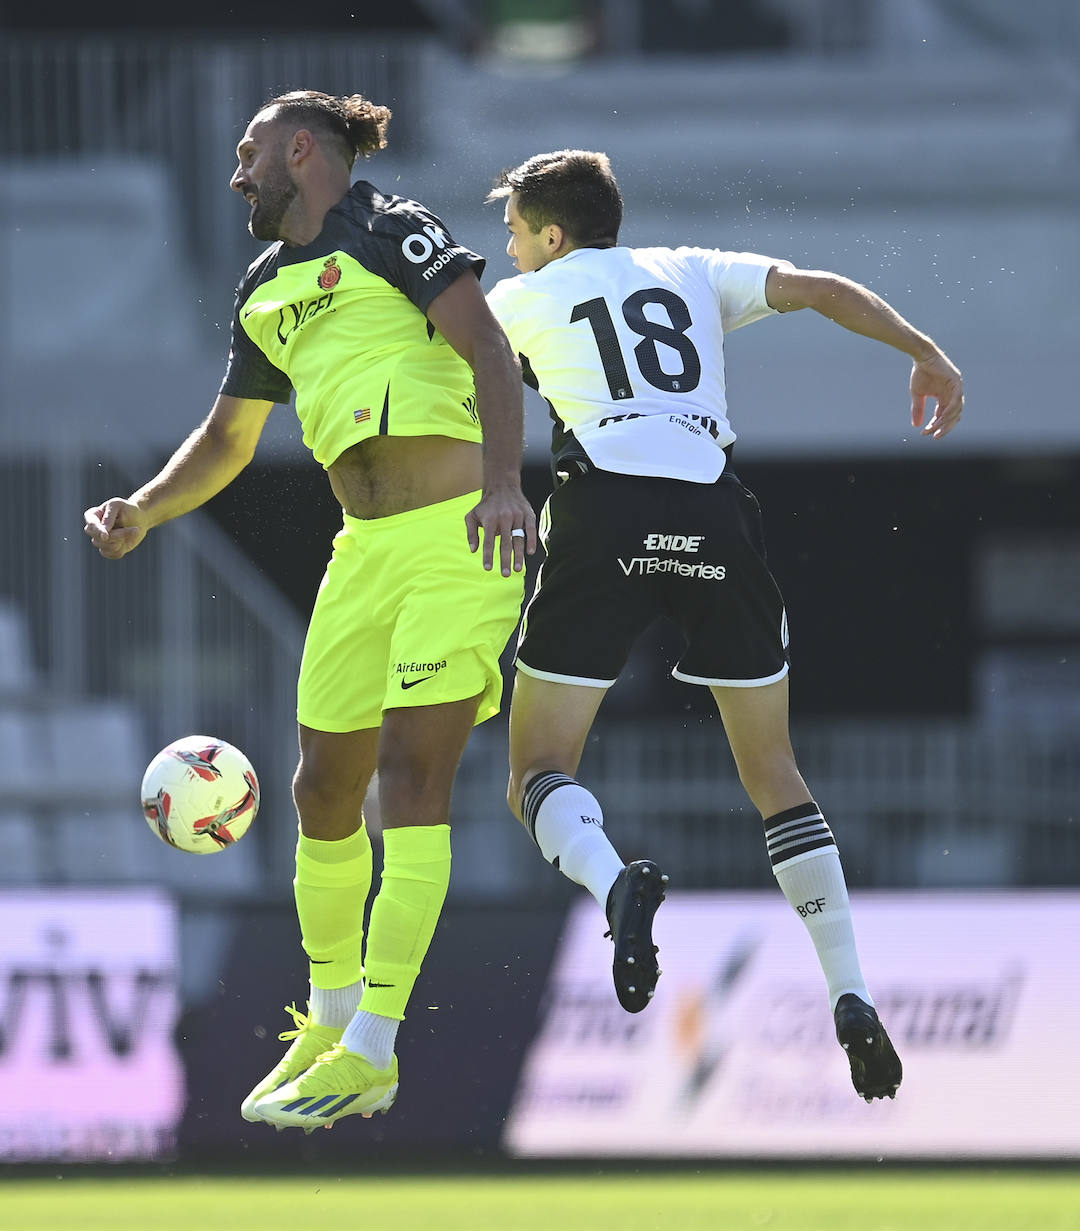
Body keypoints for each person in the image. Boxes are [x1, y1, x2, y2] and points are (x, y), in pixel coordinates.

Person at [84, 90, 536, 1132]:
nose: (238, 174)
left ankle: (376, 1045)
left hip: (460, 533)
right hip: (363, 553)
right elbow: (229, 437)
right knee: (321, 789)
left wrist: (508, 483)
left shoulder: (392, 229)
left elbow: (489, 350)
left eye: (249, 154)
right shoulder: (263, 287)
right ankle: (329, 1024)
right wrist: (144, 510)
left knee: (410, 779)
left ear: (300, 149)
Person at [485, 149, 964, 1102]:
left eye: (514, 231)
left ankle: (614, 882)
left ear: (550, 234)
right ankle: (852, 995)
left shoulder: (513, 300)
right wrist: (926, 353)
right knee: (775, 775)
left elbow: (445, 357)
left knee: (537, 770)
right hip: (715, 513)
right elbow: (821, 287)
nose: (508, 246)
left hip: (603, 513)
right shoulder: (689, 269)